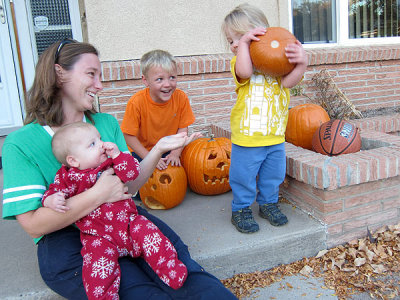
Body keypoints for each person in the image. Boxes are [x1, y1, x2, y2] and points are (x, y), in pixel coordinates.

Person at [2, 39, 237, 299]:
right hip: (69, 238)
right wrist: (99, 194)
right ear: (59, 74)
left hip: (124, 220)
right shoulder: (20, 144)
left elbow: (130, 186)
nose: (100, 85)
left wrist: (158, 148)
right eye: (91, 74)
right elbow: (35, 225)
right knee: (137, 291)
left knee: (186, 277)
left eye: (100, 76)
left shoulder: (105, 123)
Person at [42, 122, 188, 299]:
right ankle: (104, 296)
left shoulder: (111, 163)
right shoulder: (67, 177)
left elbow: (132, 173)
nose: (102, 145)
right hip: (98, 236)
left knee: (152, 236)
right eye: (92, 144)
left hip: (129, 224)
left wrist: (118, 155)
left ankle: (171, 270)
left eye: (100, 139)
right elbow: (54, 190)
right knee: (96, 269)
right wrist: (51, 200)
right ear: (73, 160)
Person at [222, 4, 307, 233]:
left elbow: (289, 83)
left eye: (239, 38)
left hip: (275, 136)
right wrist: (246, 44)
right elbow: (245, 72)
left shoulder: (277, 67)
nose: (234, 45)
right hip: (248, 137)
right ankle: (240, 208)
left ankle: (268, 204)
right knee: (244, 176)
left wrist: (301, 63)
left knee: (273, 174)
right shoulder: (239, 63)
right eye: (231, 41)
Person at [121, 49, 195, 171]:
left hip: (170, 148)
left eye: (172, 77)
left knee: (191, 163)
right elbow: (128, 136)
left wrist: (175, 153)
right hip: (142, 151)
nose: (167, 84)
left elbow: (182, 128)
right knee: (139, 175)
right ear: (146, 80)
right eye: (159, 79)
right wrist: (150, 158)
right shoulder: (136, 103)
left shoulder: (181, 98)